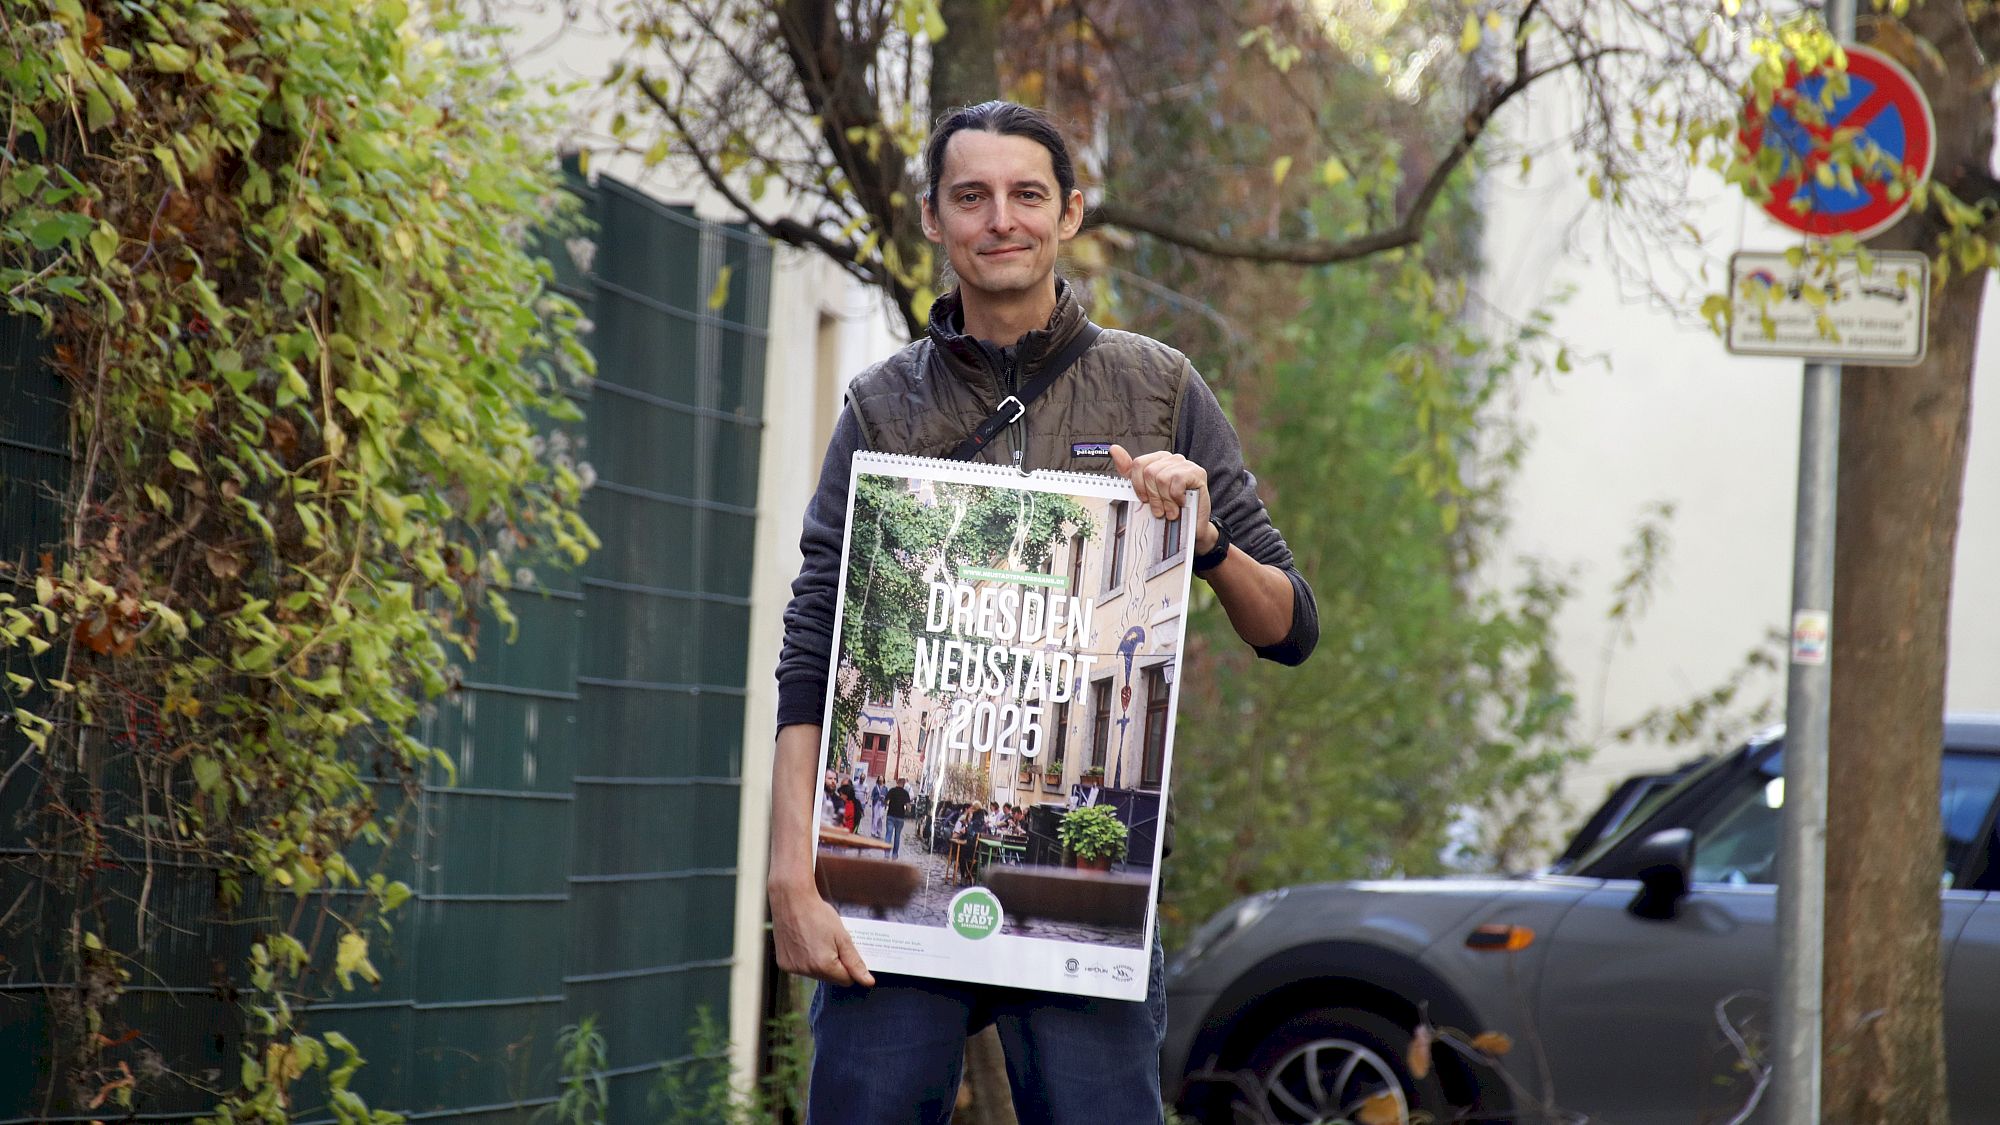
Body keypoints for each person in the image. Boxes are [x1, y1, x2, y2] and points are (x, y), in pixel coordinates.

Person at [769, 100, 1318, 1124]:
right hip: (888, 914)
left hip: (1083, 917)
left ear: (1067, 213)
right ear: (932, 219)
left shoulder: (1156, 388)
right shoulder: (882, 407)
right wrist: (789, 877)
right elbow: (812, 650)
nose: (999, 219)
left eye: (1026, 195)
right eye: (969, 197)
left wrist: (1202, 539)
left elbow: (1288, 628)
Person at [885, 776, 913, 859]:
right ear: (904, 784)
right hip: (900, 817)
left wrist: (887, 805)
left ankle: (886, 853)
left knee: (888, 835)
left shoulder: (892, 791)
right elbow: (908, 807)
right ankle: (894, 854)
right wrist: (908, 810)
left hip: (891, 815)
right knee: (897, 836)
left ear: (897, 782)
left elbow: (886, 801)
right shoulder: (905, 793)